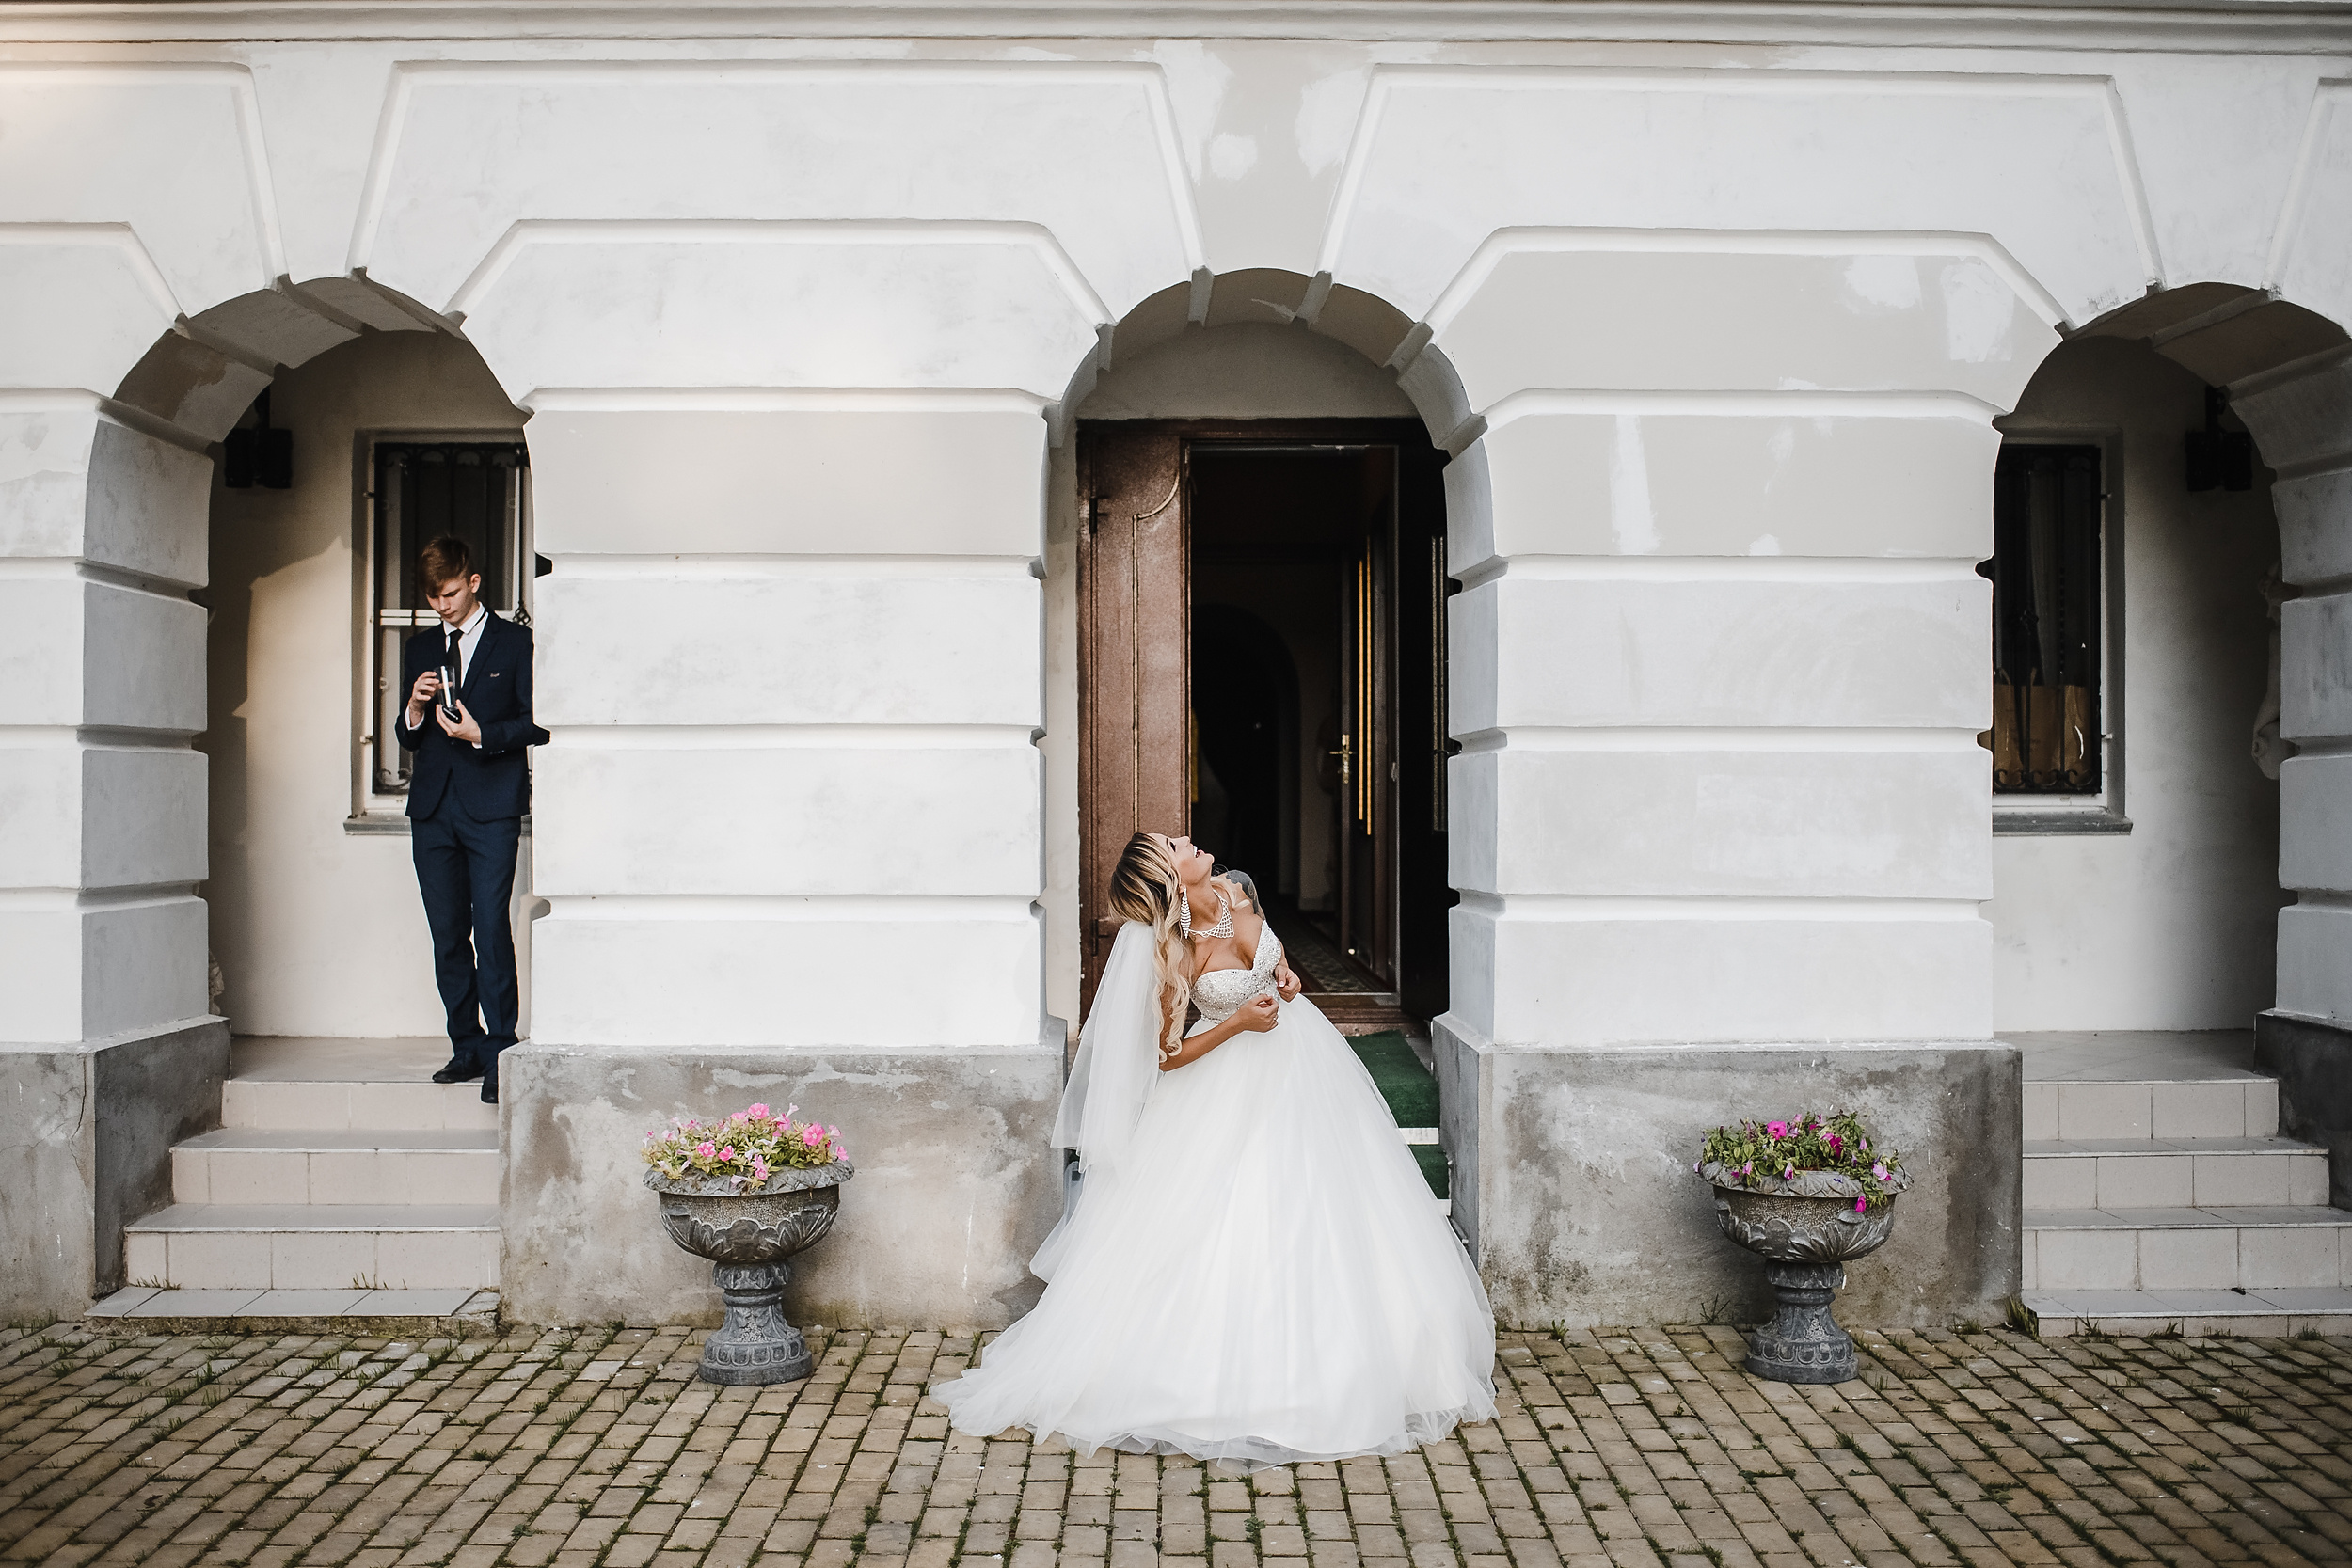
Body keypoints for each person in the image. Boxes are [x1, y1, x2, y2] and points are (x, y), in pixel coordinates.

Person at [930, 832, 1496, 1468]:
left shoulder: (1238, 888)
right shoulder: (1173, 950)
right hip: (1226, 1083)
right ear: (1171, 880)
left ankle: (1365, 1353)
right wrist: (1236, 1022)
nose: (1189, 839)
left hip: (1302, 1063)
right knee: (1243, 1211)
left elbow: (1270, 951)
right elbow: (1168, 1056)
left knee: (1332, 1195)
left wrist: (1283, 973)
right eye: (1175, 845)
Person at [396, 536, 548, 1104]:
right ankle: (466, 1045)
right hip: (432, 810)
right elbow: (407, 735)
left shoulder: (516, 643)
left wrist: (483, 734)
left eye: (451, 593)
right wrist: (414, 708)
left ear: (474, 582)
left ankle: (502, 1051)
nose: (443, 606)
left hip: (491, 808)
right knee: (447, 934)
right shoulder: (419, 647)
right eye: (434, 598)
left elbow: (539, 723)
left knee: (490, 930)